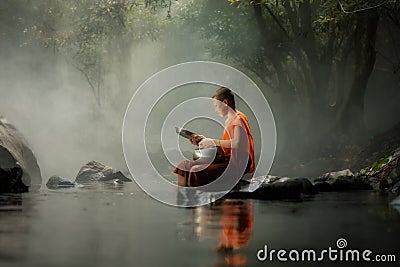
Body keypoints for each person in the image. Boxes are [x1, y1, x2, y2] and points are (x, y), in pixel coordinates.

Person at [173, 87, 255, 188]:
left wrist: (212, 142)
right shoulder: (229, 120)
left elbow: (236, 143)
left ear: (225, 102)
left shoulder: (238, 119)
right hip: (225, 160)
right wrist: (203, 141)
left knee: (196, 170)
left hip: (235, 164)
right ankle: (183, 199)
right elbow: (225, 147)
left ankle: (194, 197)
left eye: (216, 106)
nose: (215, 110)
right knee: (184, 166)